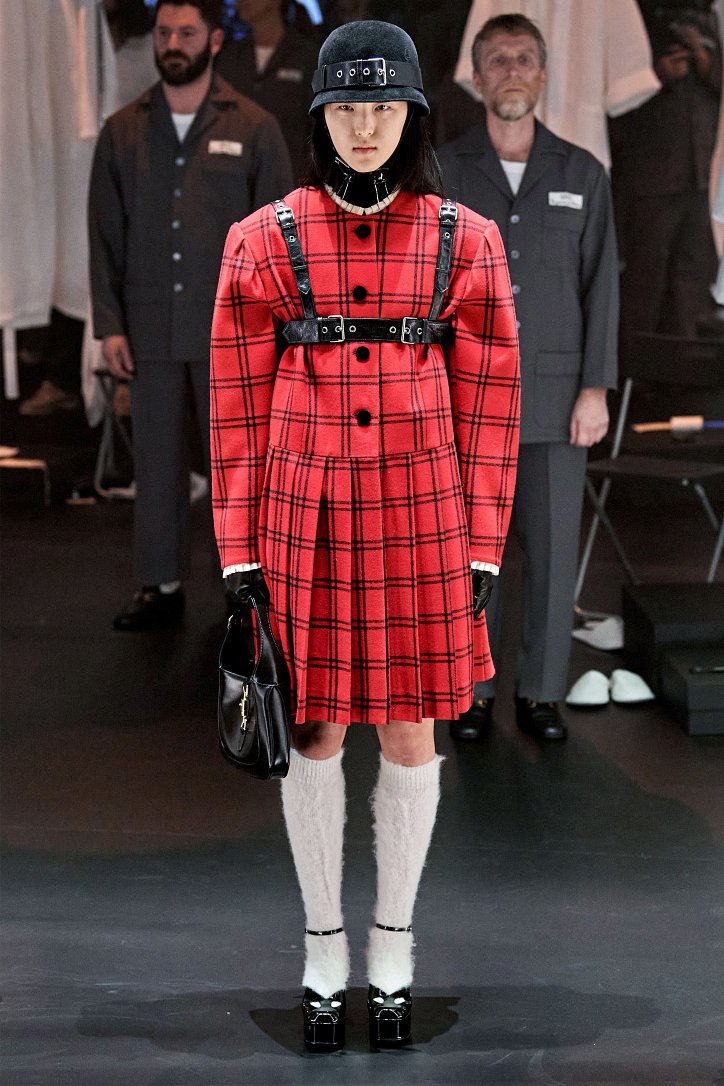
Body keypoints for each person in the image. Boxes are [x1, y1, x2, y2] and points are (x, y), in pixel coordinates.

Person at [211, 20, 520, 1050]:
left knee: (409, 733)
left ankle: (392, 950)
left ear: (415, 116)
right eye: (348, 106)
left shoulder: (466, 240)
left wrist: (482, 545)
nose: (366, 126)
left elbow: (491, 404)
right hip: (301, 519)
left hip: (423, 516)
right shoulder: (261, 240)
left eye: (385, 106)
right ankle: (321, 951)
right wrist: (240, 552)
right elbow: (234, 406)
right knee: (312, 733)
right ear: (320, 116)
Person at [437, 13, 618, 741]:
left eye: (524, 59)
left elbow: (601, 288)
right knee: (469, 556)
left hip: (556, 397)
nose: (511, 70)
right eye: (498, 59)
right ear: (476, 77)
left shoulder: (583, 173)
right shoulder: (442, 172)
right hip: (463, 399)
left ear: (542, 76)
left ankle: (541, 692)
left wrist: (596, 389)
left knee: (551, 553)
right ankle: (473, 692)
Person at [88, 0, 292, 631]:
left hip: (232, 330)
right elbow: (105, 234)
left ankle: (243, 588)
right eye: (164, 32)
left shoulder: (254, 126)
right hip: (148, 324)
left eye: (186, 32)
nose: (172, 43)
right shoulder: (123, 129)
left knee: (237, 465)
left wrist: (276, 329)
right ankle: (160, 583)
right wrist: (108, 324)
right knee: (155, 460)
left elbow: (280, 238)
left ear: (215, 41)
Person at [215, 0, 319, 182]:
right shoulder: (230, 57)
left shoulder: (306, 57)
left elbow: (317, 127)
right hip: (235, 179)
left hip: (290, 179)